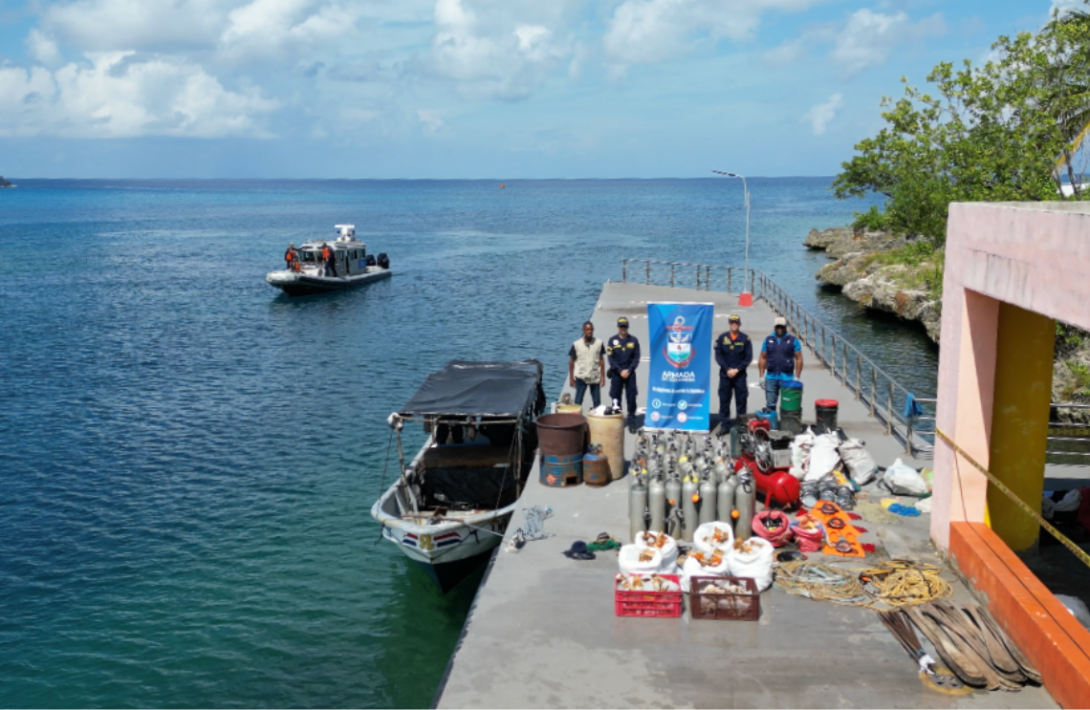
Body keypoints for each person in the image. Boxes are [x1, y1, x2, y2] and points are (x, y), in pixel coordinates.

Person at [714, 314, 752, 433]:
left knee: (741, 400)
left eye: (736, 322)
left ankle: (740, 425)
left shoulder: (745, 339)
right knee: (724, 401)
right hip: (725, 375)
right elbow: (718, 356)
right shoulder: (722, 338)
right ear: (729, 324)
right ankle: (725, 426)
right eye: (732, 322)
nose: (734, 324)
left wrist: (737, 369)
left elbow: (748, 357)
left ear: (739, 324)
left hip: (739, 375)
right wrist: (727, 369)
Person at [758, 316, 803, 410]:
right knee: (770, 405)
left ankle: (786, 424)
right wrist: (761, 376)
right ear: (775, 327)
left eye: (781, 326)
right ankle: (772, 423)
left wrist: (797, 377)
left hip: (787, 378)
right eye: (778, 326)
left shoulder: (793, 340)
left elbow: (799, 358)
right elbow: (762, 358)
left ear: (785, 327)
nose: (779, 329)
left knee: (788, 405)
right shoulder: (768, 340)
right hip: (771, 377)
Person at [606, 316, 641, 422]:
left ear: (628, 326)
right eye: (621, 326)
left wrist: (629, 370)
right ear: (617, 327)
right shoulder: (612, 340)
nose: (623, 328)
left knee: (631, 396)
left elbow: (636, 357)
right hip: (617, 373)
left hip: (630, 373)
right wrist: (619, 370)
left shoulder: (633, 340)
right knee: (615, 395)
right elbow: (610, 358)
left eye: (625, 326)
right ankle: (617, 417)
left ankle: (631, 417)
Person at [569, 321, 606, 409]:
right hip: (581, 377)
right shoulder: (576, 344)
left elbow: (601, 360)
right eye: (588, 329)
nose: (590, 331)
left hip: (594, 376)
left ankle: (597, 419)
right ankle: (577, 420)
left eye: (591, 329)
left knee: (597, 402)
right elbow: (571, 362)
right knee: (578, 402)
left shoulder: (599, 343)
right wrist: (571, 379)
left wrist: (603, 377)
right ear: (583, 330)